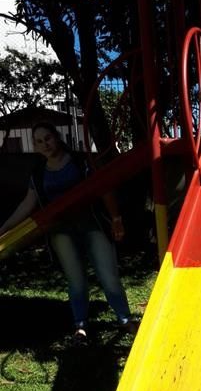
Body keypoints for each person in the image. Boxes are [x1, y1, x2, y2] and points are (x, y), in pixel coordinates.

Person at [0, 122, 136, 344]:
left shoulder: (80, 162)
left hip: (92, 226)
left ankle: (125, 319)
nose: (45, 144)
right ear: (35, 146)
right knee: (76, 280)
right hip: (61, 232)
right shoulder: (38, 173)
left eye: (48, 138)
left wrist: (115, 218)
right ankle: (80, 325)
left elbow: (103, 188)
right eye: (39, 142)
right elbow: (27, 204)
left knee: (108, 275)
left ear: (56, 137)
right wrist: (4, 228)